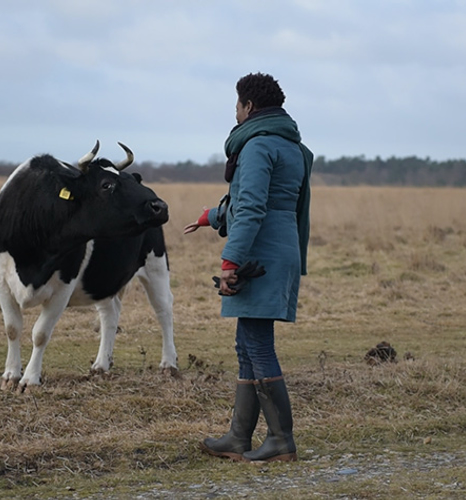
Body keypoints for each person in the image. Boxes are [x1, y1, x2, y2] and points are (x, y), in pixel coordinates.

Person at [184, 72, 313, 462]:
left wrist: (230, 261)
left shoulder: (257, 146)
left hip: (259, 255)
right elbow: (266, 203)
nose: (235, 112)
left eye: (237, 105)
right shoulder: (293, 147)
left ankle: (280, 440)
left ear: (249, 107)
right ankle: (238, 437)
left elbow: (254, 209)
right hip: (280, 248)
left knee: (257, 344)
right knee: (246, 344)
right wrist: (211, 215)